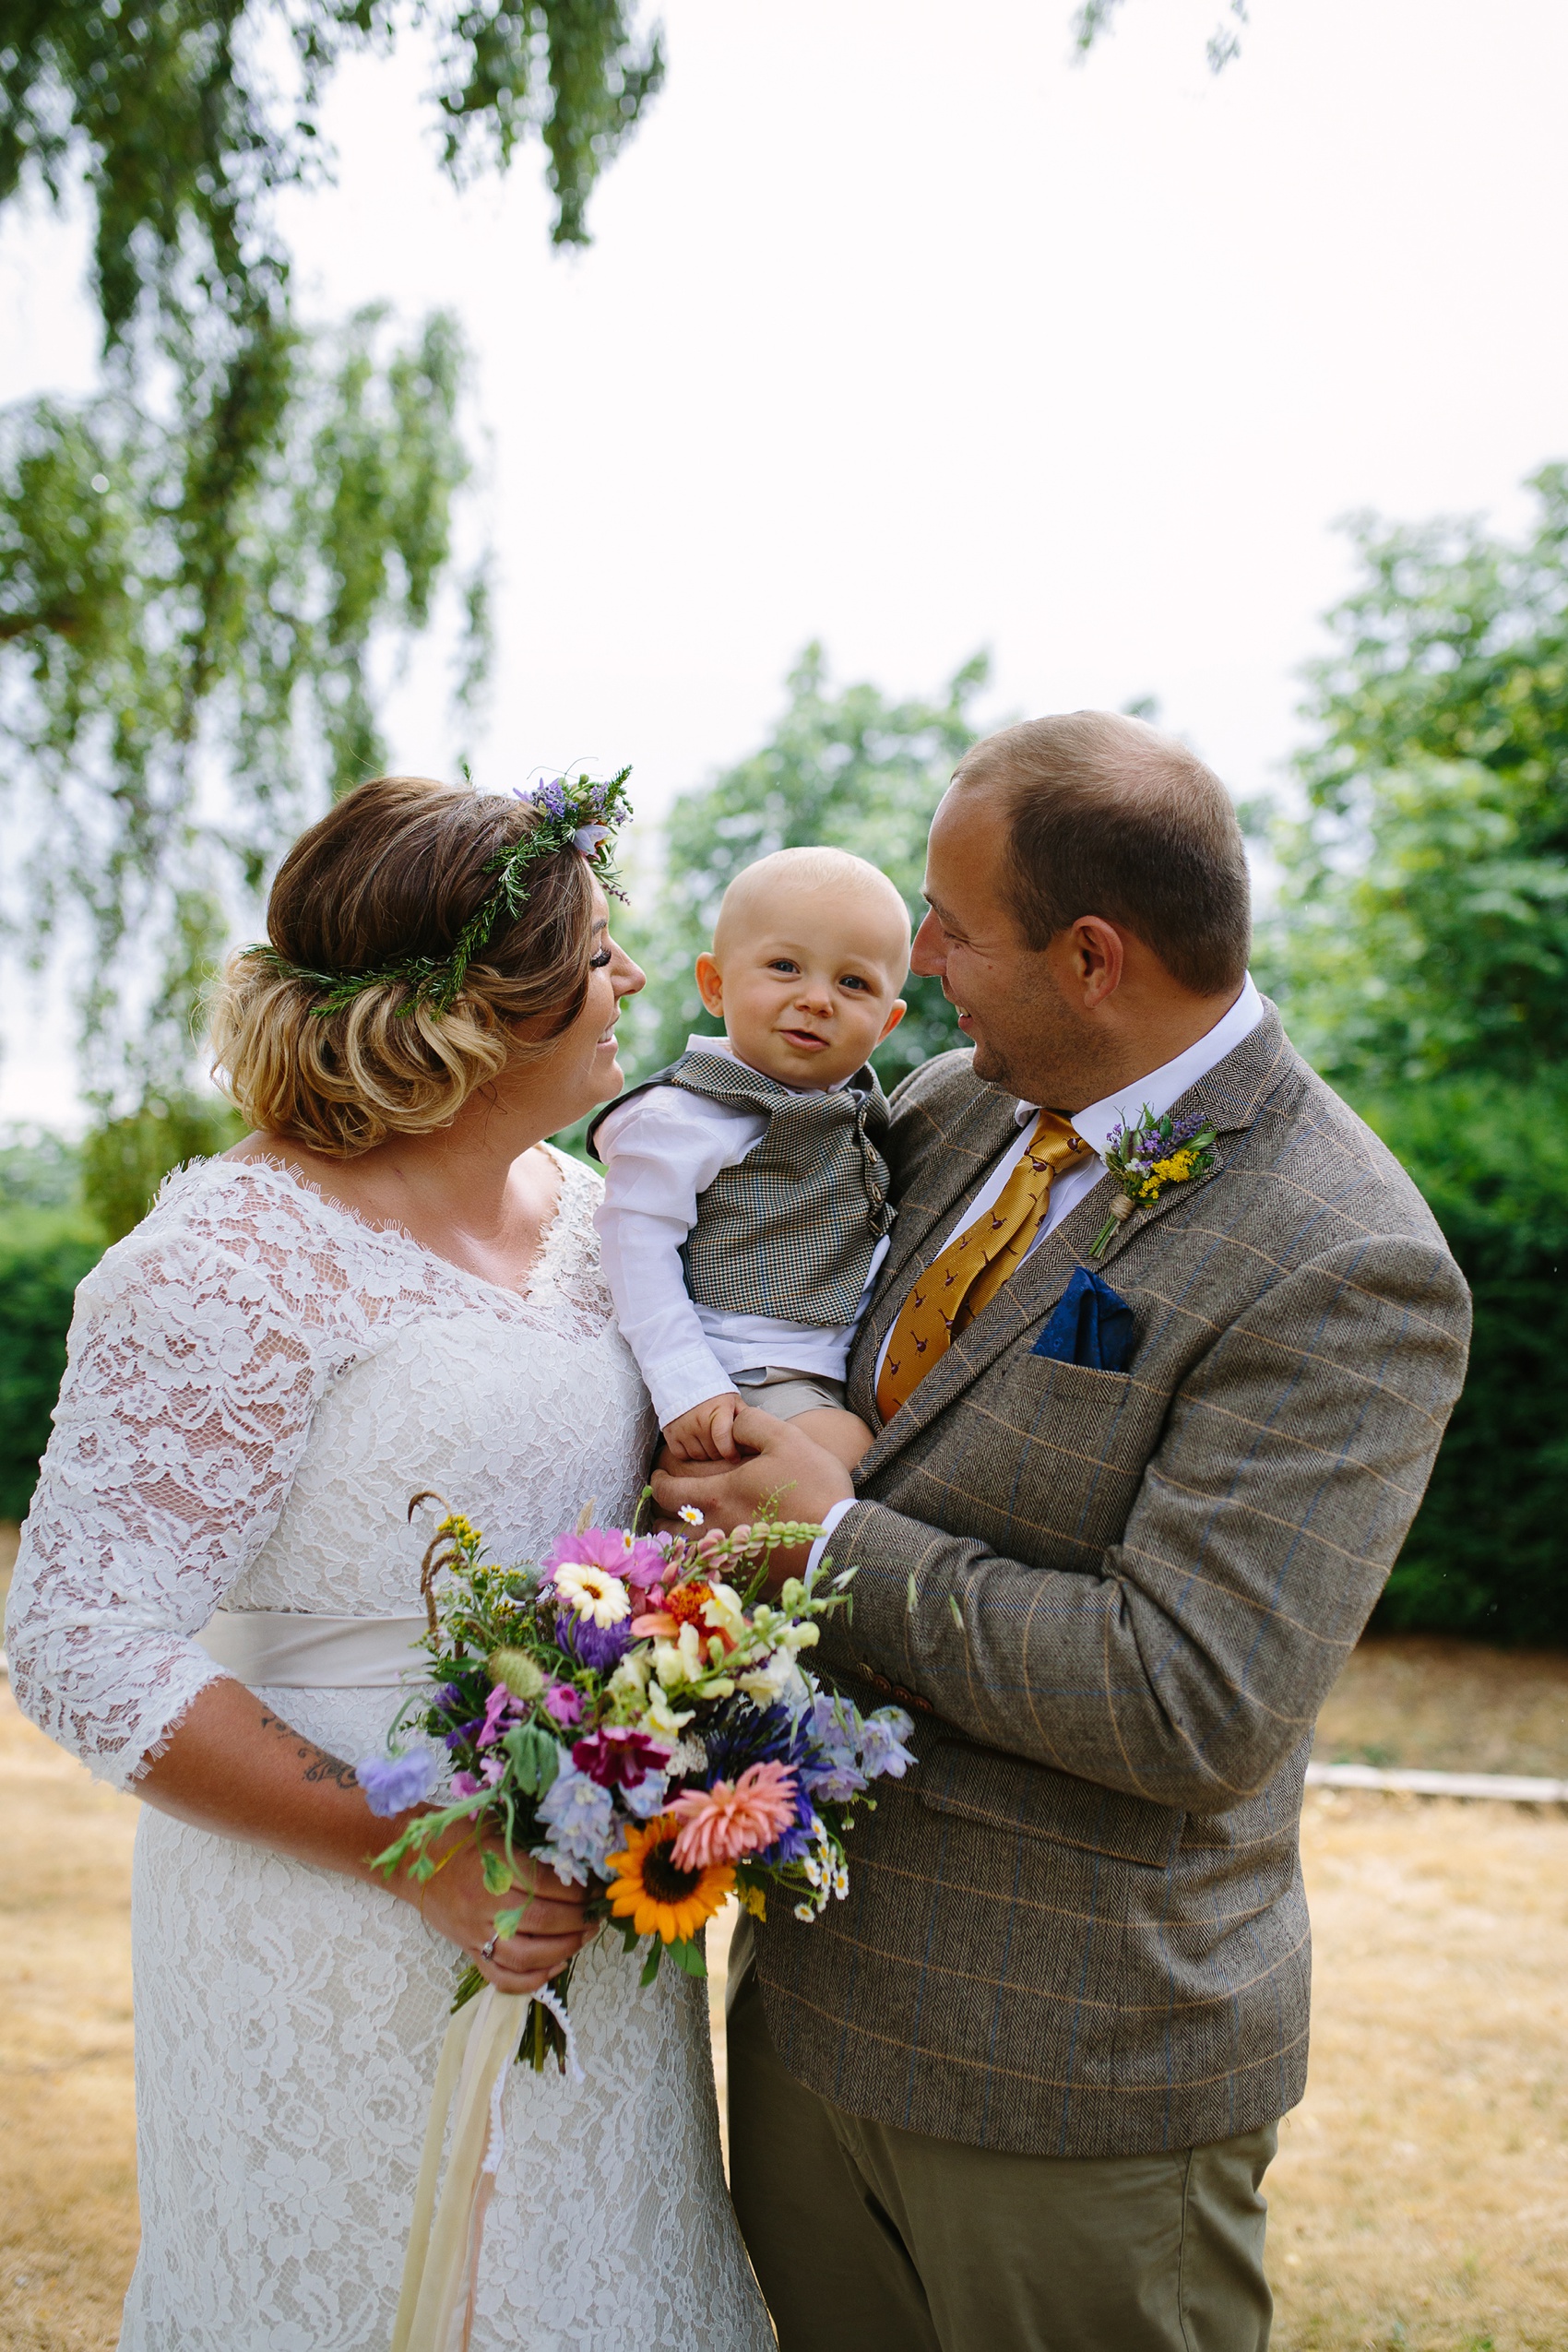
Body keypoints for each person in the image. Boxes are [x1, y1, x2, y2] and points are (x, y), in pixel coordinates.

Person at [652, 712, 1473, 2352]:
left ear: (1092, 957)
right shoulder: (953, 1103)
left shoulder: (1345, 1257)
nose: (925, 961)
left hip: (1072, 2081)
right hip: (811, 2013)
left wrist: (828, 1545)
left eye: (956, 930)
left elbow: (1194, 1699)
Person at [4, 773, 773, 2352]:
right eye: (600, 953)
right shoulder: (224, 1262)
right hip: (328, 1898)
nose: (633, 981)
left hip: (586, 1878)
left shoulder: (596, 1219)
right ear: (477, 1013)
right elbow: (77, 1632)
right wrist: (419, 1849)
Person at [591, 846, 909, 1472]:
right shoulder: (684, 1116)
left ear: (887, 1024)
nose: (819, 999)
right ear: (714, 984)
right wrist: (689, 1385)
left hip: (828, 1367)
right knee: (848, 1463)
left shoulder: (861, 1109)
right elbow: (633, 1247)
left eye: (854, 983)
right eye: (785, 966)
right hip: (736, 1370)